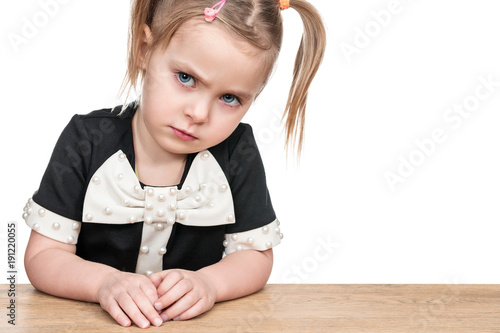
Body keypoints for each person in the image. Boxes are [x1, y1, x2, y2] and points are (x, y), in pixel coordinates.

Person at [23, 0, 326, 328]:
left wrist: (210, 283)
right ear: (143, 49)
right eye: (186, 77)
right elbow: (43, 256)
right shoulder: (87, 140)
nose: (199, 114)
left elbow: (254, 256)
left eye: (230, 98)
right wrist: (103, 283)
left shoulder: (237, 151)